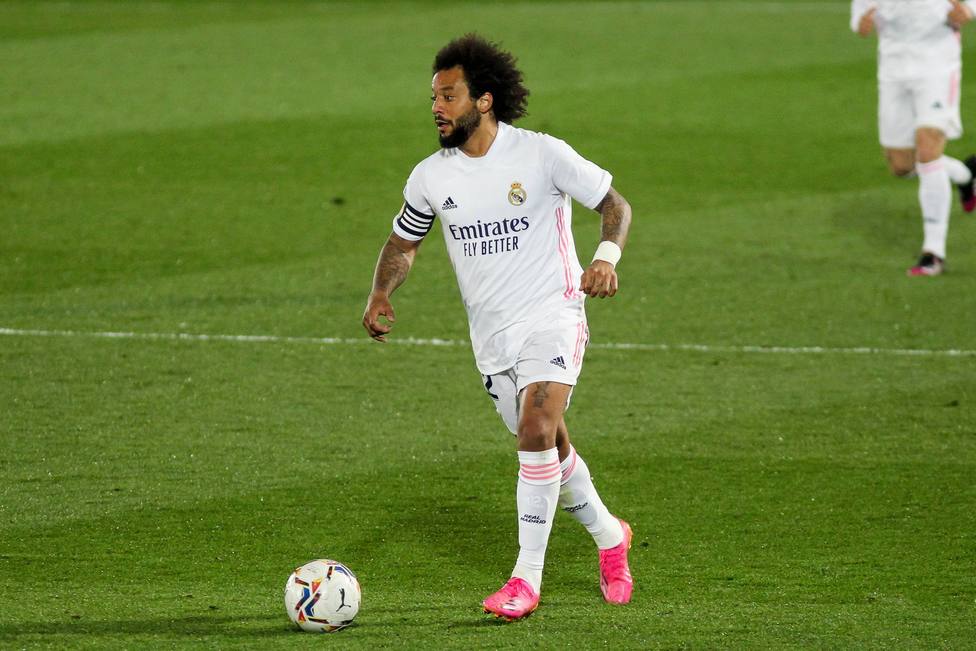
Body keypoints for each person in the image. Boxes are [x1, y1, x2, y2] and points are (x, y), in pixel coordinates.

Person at [362, 34, 634, 621]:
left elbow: (615, 205)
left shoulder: (541, 155)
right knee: (549, 445)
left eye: (448, 96)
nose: (437, 107)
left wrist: (605, 258)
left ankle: (524, 580)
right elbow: (403, 243)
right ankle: (611, 537)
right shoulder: (430, 177)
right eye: (433, 97)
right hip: (492, 339)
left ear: (484, 100)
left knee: (535, 429)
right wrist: (381, 291)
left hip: (554, 314)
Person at [851, 0, 976, 276]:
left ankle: (933, 253)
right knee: (901, 166)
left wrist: (968, 10)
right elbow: (859, 16)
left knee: (928, 151)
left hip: (937, 67)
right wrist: (862, 25)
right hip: (893, 71)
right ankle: (966, 175)